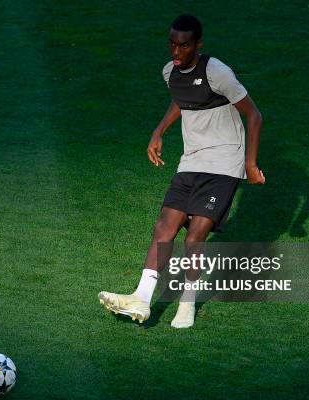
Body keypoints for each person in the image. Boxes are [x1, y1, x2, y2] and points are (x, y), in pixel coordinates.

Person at [98, 14, 266, 328]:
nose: (176, 52)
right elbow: (181, 100)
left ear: (198, 45)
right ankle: (142, 299)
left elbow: (254, 115)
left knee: (195, 235)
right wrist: (159, 130)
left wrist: (250, 163)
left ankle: (187, 303)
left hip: (224, 164)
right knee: (164, 227)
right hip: (191, 161)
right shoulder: (169, 72)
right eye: (172, 44)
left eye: (184, 46)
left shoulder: (217, 72)